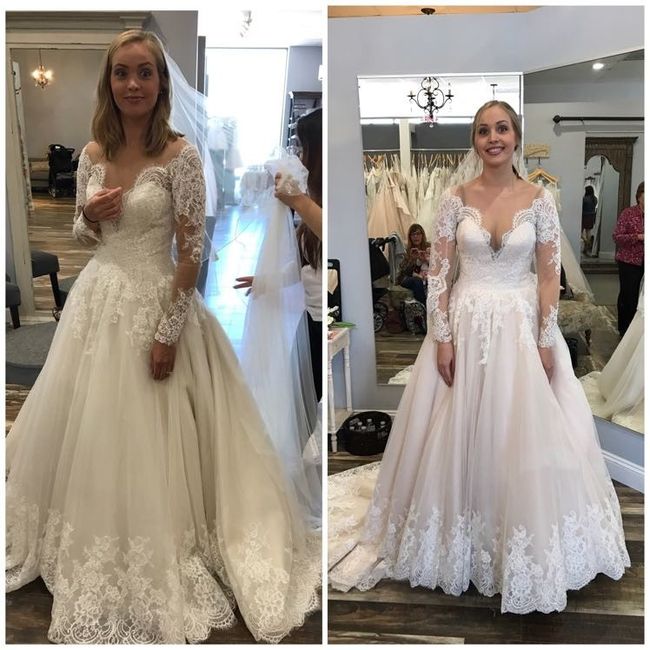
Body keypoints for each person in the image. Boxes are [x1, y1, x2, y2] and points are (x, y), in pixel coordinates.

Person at [6, 30, 320, 644]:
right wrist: (88, 216)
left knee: (161, 427)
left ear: (160, 83)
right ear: (109, 82)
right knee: (91, 424)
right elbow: (83, 238)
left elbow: (192, 252)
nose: (133, 84)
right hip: (99, 300)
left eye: (144, 73)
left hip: (161, 299)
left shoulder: (181, 156)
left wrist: (169, 333)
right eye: (122, 73)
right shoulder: (92, 153)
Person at [328, 100, 630, 613]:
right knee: (456, 430)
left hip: (520, 328)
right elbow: (439, 275)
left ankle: (520, 537)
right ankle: (457, 540)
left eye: (502, 128)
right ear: (475, 140)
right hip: (465, 327)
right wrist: (443, 336)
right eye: (484, 130)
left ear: (516, 136)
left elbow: (549, 276)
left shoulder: (540, 199)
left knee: (519, 430)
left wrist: (544, 337)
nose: (494, 138)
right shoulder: (454, 199)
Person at [236, 108, 323, 400]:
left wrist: (299, 201)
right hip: (310, 321)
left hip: (321, 322)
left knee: (305, 398)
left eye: (302, 147)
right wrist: (266, 280)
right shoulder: (312, 203)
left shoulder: (319, 206)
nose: (298, 155)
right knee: (301, 398)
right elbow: (305, 266)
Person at [613, 181, 644, 336]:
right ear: (639, 196)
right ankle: (624, 329)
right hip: (629, 260)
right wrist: (637, 237)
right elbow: (617, 237)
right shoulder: (628, 213)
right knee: (628, 295)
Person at [397, 223, 430, 305]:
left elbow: (437, 265)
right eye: (413, 234)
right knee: (417, 281)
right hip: (407, 278)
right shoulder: (406, 250)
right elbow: (404, 272)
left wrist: (426, 260)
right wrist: (412, 259)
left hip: (426, 275)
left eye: (418, 234)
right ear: (410, 237)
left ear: (422, 235)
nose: (415, 236)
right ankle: (423, 307)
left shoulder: (429, 247)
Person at [581, 185, 598, 254]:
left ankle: (586, 241)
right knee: (588, 231)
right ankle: (586, 247)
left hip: (584, 216)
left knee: (580, 232)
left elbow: (581, 208)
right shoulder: (595, 199)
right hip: (592, 216)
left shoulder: (584, 199)